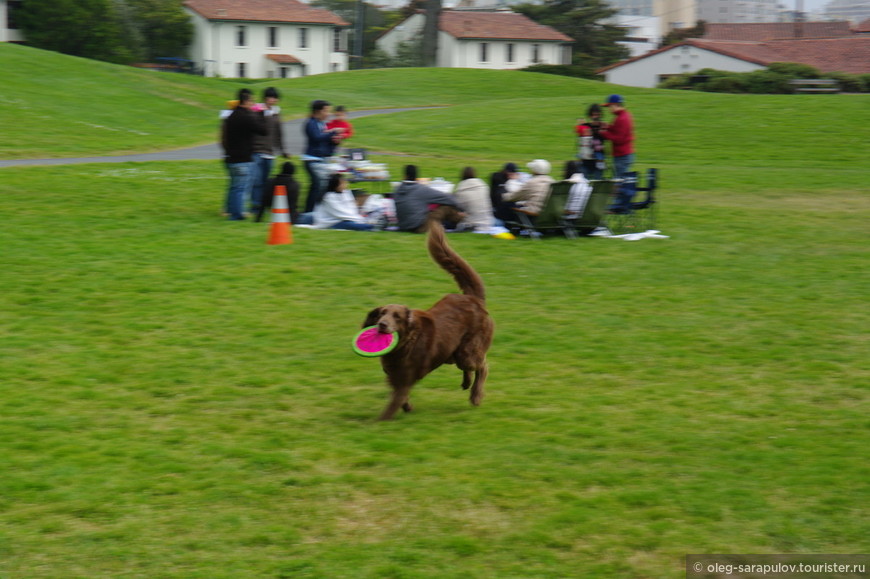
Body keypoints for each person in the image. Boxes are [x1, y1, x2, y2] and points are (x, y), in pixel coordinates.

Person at [221, 88, 267, 221]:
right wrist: (261, 114)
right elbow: (263, 131)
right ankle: (237, 214)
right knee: (241, 188)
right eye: (252, 101)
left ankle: (231, 210)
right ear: (246, 101)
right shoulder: (246, 117)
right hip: (243, 159)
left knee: (234, 187)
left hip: (230, 158)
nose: (253, 103)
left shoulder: (231, 116)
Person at [301, 100, 345, 213]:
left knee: (319, 186)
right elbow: (316, 138)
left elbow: (325, 143)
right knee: (320, 184)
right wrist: (332, 132)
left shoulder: (322, 124)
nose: (328, 114)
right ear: (318, 111)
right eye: (326, 111)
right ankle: (311, 211)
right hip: (311, 159)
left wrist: (335, 142)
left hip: (321, 159)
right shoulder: (310, 123)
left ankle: (313, 210)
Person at [250, 87, 288, 215]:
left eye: (275, 98)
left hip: (270, 153)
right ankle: (256, 206)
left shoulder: (276, 113)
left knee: (266, 181)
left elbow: (278, 133)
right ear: (265, 98)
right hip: (256, 150)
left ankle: (263, 205)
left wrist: (282, 150)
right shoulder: (257, 111)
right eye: (270, 97)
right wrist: (261, 113)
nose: (273, 100)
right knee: (257, 180)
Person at [393, 165, 465, 233]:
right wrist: (461, 208)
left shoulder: (397, 189)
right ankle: (463, 220)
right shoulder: (420, 189)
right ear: (416, 177)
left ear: (404, 176)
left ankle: (460, 221)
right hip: (419, 227)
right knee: (446, 208)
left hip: (403, 226)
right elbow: (446, 198)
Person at [599, 94, 635, 179]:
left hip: (622, 155)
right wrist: (608, 126)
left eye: (609, 106)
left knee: (619, 181)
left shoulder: (621, 118)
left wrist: (603, 133)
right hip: (624, 154)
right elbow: (617, 130)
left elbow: (619, 139)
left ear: (615, 105)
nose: (609, 109)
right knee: (620, 180)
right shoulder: (624, 115)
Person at [452, 167, 493, 233]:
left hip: (471, 223)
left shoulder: (461, 190)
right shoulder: (484, 186)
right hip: (488, 222)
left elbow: (457, 207)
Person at [576, 104, 606, 180]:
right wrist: (580, 126)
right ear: (590, 115)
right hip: (585, 160)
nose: (595, 117)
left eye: (597, 115)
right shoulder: (586, 126)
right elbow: (578, 132)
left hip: (598, 161)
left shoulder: (603, 126)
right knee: (584, 183)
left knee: (597, 184)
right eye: (593, 115)